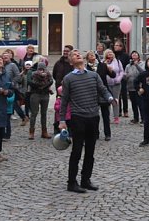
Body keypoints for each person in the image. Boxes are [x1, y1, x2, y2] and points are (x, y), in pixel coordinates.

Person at [60, 49, 115, 193]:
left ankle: (86, 180)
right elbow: (64, 100)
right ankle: (71, 182)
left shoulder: (93, 75)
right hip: (78, 117)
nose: (78, 55)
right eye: (74, 55)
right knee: (77, 151)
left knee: (90, 151)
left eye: (78, 53)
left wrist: (110, 98)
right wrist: (62, 120)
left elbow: (103, 89)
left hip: (93, 116)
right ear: (71, 61)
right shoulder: (68, 78)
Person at [28, 60, 54, 140]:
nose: (41, 70)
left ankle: (44, 131)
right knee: (34, 113)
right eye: (40, 68)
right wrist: (41, 84)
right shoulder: (33, 74)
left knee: (44, 113)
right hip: (35, 94)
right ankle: (31, 132)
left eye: (43, 68)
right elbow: (31, 83)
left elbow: (51, 81)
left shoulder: (48, 74)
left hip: (45, 94)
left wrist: (43, 86)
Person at [96, 51, 119, 141]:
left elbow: (113, 75)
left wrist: (110, 70)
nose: (93, 57)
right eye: (91, 56)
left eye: (94, 56)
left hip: (103, 92)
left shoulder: (102, 65)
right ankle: (95, 133)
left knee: (106, 115)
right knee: (95, 115)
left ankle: (107, 134)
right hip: (93, 93)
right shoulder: (87, 67)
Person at [112, 41, 131, 118]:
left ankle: (125, 111)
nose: (115, 46)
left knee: (124, 94)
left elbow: (127, 66)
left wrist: (124, 74)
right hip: (115, 77)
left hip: (123, 77)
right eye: (115, 45)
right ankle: (118, 111)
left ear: (121, 47)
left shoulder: (125, 55)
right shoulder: (113, 55)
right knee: (117, 95)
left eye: (117, 45)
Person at [125, 51, 145, 124]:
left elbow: (143, 73)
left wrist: (136, 65)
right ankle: (135, 118)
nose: (134, 55)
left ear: (138, 56)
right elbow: (125, 75)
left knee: (140, 103)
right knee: (133, 104)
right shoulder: (128, 65)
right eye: (132, 54)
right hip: (130, 87)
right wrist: (125, 76)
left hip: (139, 87)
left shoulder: (142, 64)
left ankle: (143, 119)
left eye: (136, 54)